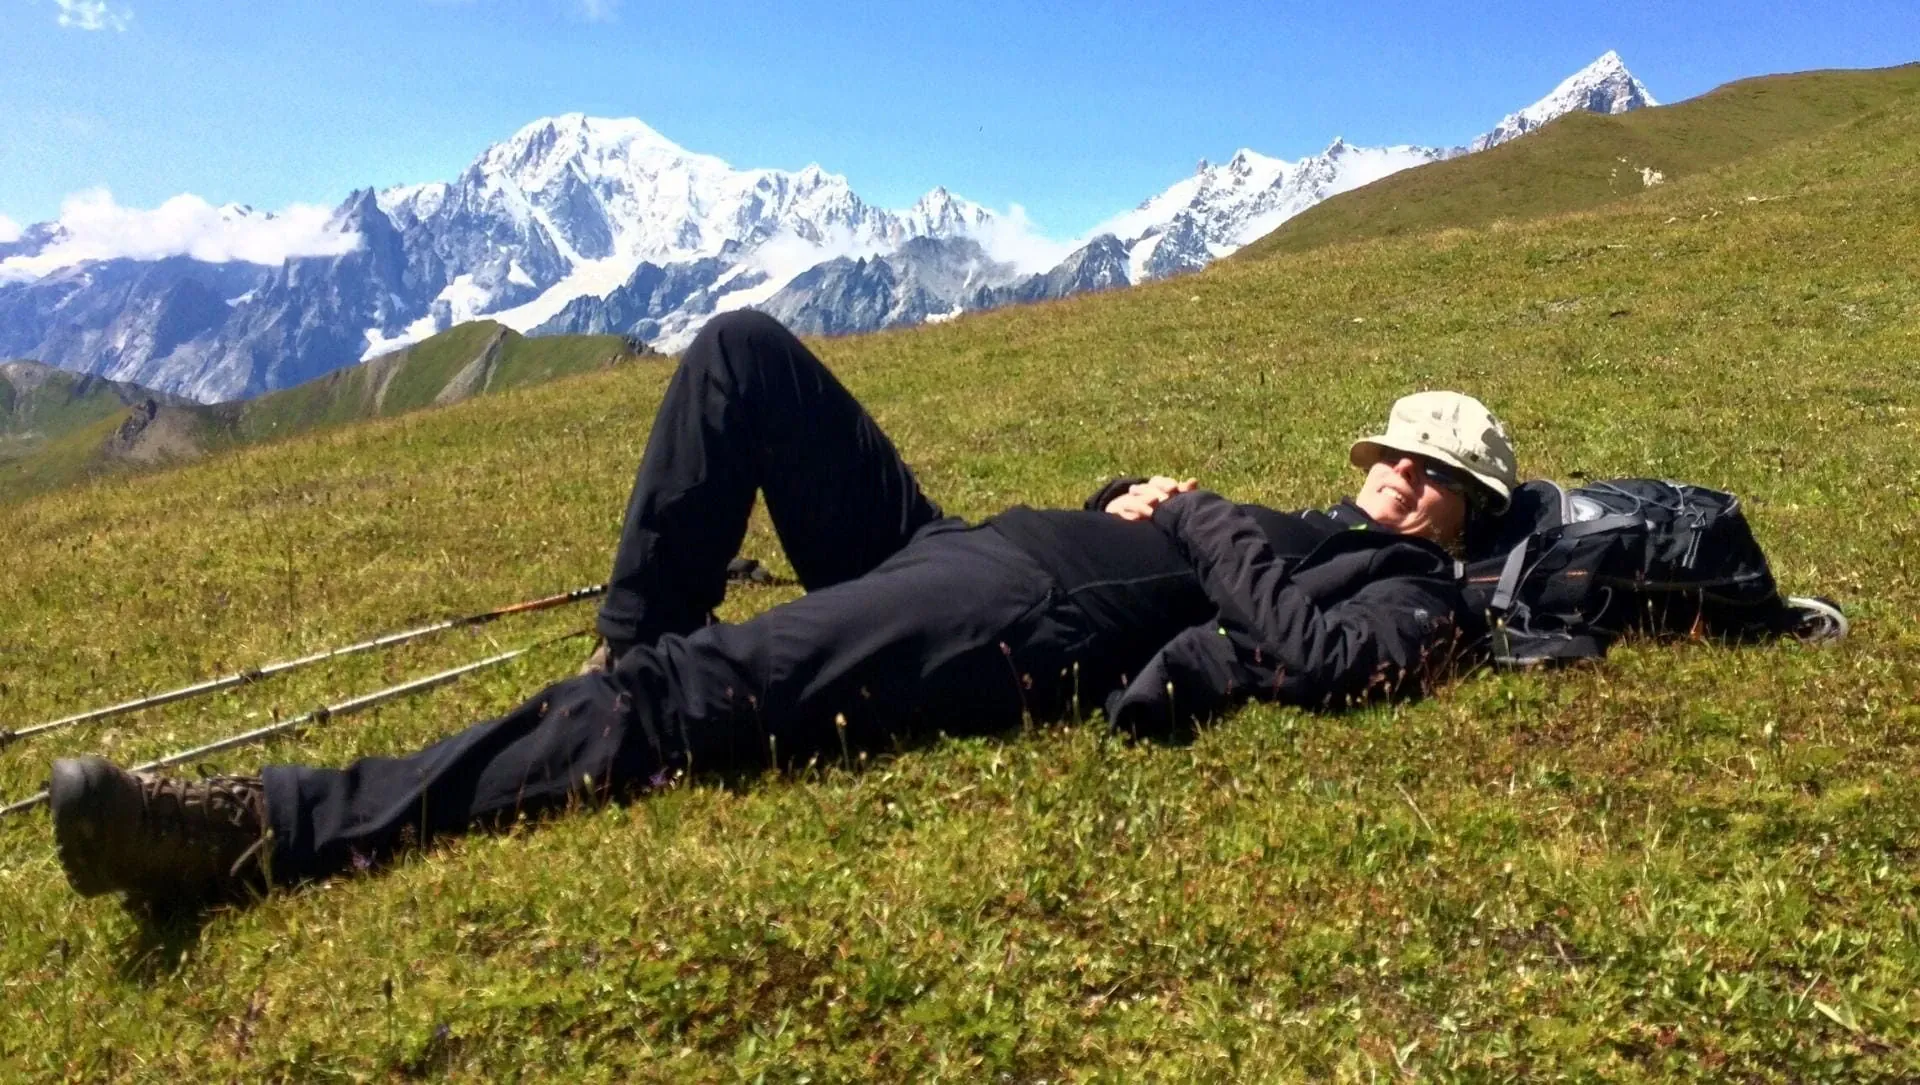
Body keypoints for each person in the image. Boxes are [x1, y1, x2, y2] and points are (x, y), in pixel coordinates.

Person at [47, 310, 1520, 908]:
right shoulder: (1315, 520)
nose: (1401, 480)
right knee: (743, 354)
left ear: (1472, 514)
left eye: (1433, 475)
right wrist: (1144, 485)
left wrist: (1191, 514)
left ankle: (256, 831)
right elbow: (1200, 541)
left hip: (1008, 620)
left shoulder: (1420, 602)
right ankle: (632, 670)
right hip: (962, 547)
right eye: (1393, 454)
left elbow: (1328, 662)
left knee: (700, 699)